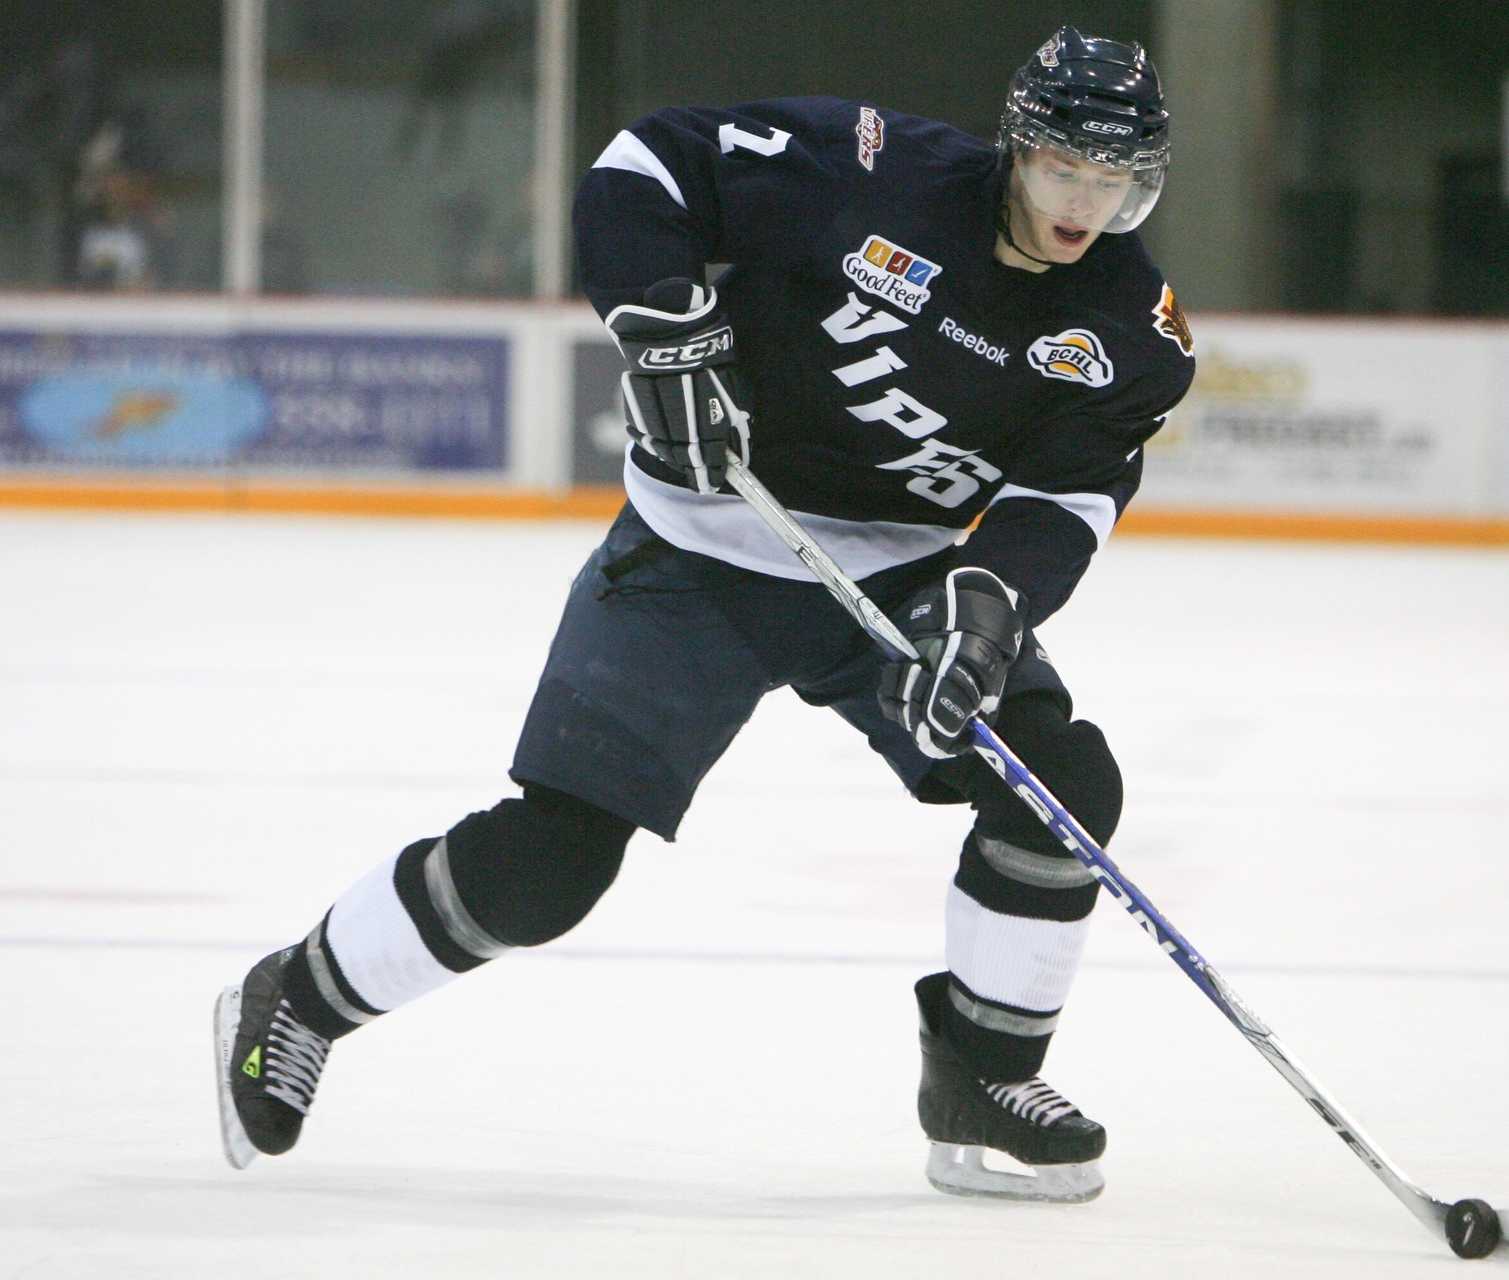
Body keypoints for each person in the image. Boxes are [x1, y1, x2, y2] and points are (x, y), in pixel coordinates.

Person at [214, 26, 1194, 1204]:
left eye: (1112, 181)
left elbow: (1065, 496)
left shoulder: (1133, 332)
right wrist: (667, 324)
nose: (1084, 204)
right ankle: (297, 996)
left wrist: (985, 609)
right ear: (1017, 148)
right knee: (550, 865)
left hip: (897, 579)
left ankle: (983, 1076)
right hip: (699, 546)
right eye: (1063, 169)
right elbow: (645, 167)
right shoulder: (867, 167)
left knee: (1059, 787)